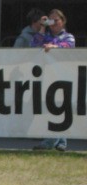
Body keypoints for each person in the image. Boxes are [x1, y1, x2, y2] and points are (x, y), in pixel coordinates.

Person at [31, 9, 75, 152]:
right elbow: (33, 45)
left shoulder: (68, 37)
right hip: (45, 76)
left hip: (63, 77)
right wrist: (42, 27)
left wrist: (54, 47)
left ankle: (56, 141)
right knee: (49, 107)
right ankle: (58, 141)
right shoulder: (44, 36)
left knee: (62, 108)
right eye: (50, 20)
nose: (53, 23)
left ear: (63, 21)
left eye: (56, 20)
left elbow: (68, 46)